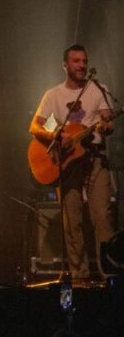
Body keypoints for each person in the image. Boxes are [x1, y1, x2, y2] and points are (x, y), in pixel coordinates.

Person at [29, 44, 115, 281]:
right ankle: (79, 279)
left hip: (94, 159)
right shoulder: (53, 95)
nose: (82, 65)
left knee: (102, 218)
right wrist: (57, 135)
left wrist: (106, 126)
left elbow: (109, 122)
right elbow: (35, 126)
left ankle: (109, 278)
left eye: (84, 61)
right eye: (76, 61)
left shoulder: (98, 89)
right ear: (65, 66)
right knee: (72, 222)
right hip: (66, 163)